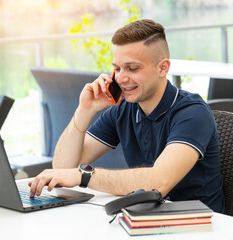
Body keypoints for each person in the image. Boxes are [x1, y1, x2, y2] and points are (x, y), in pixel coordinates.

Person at [29, 19, 225, 213]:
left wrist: (84, 176)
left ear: (163, 68)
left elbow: (158, 183)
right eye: (117, 68)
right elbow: (63, 167)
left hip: (200, 226)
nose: (121, 78)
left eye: (132, 68)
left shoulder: (192, 113)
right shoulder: (123, 110)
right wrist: (85, 110)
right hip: (147, 219)